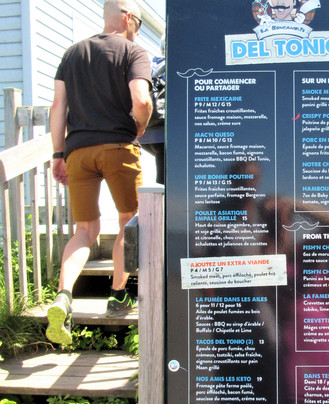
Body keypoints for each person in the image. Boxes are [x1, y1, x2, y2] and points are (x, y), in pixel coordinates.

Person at [47, 0, 152, 345]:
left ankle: (64, 296)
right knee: (128, 222)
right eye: (138, 24)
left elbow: (58, 105)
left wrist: (58, 154)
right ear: (127, 18)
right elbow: (141, 100)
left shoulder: (73, 53)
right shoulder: (133, 52)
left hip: (78, 152)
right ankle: (118, 296)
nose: (137, 31)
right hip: (118, 148)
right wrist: (139, 127)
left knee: (85, 230)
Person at [138, 33, 166, 185]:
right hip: (164, 135)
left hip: (145, 135)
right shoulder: (176, 65)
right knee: (167, 183)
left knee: (163, 181)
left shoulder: (148, 66)